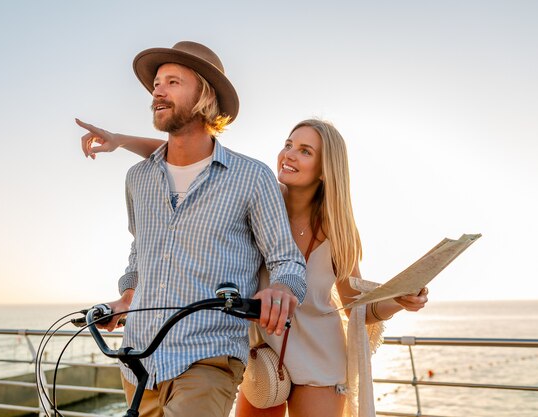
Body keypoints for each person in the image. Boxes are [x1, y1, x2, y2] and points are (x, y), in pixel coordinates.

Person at [77, 117, 429, 417]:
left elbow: (355, 306)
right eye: (289, 144)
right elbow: (194, 156)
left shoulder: (338, 231)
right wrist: (120, 141)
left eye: (305, 151)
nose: (289, 154)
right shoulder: (257, 194)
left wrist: (400, 300)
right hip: (263, 356)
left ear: (326, 170)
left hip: (321, 362)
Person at [81, 41, 307, 417]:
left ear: (204, 96)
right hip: (138, 362)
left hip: (208, 359)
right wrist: (126, 297)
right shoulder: (138, 178)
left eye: (172, 81)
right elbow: (141, 251)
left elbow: (286, 259)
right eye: (156, 83)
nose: (157, 90)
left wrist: (282, 289)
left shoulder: (251, 178)